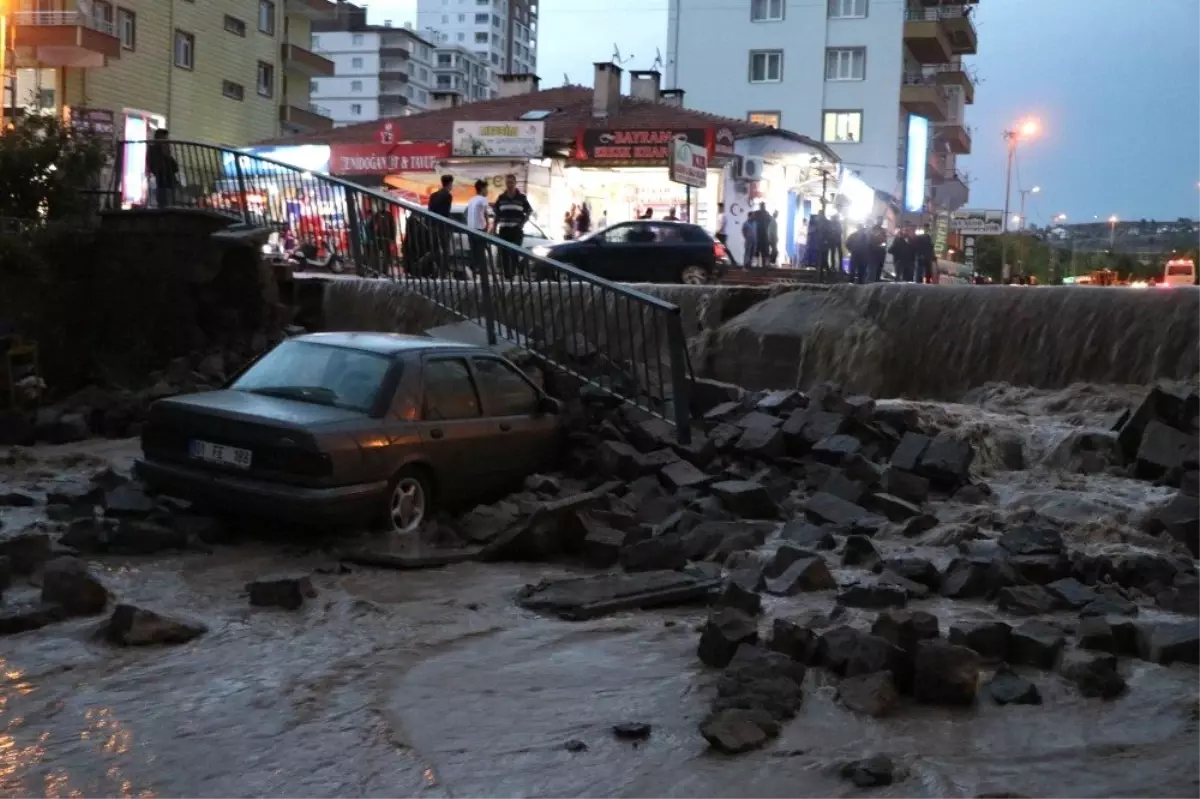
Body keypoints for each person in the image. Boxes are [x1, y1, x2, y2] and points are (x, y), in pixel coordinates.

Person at [493, 173, 533, 278]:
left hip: (516, 230)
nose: (509, 185)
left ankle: (513, 272)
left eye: (511, 182)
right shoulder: (501, 198)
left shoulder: (521, 198)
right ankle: (507, 275)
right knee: (504, 253)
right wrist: (494, 227)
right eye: (507, 182)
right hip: (504, 229)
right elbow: (497, 213)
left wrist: (522, 224)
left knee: (514, 252)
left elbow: (529, 211)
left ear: (515, 183)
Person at [145, 129, 178, 209]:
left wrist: (167, 156)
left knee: (171, 205)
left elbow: (175, 167)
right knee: (164, 206)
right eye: (164, 138)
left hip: (171, 182)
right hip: (161, 183)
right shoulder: (153, 150)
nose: (166, 141)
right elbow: (154, 166)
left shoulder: (166, 150)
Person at [465, 178, 491, 276]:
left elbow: (466, 213)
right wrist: (487, 225)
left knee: (474, 253)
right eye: (486, 188)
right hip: (479, 229)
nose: (487, 191)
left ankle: (472, 270)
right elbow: (485, 212)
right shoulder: (483, 199)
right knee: (481, 253)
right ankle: (482, 273)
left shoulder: (472, 200)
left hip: (470, 229)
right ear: (482, 189)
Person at [751, 202, 772, 269]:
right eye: (762, 206)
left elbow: (769, 221)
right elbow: (752, 219)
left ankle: (762, 264)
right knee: (758, 249)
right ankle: (758, 263)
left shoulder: (765, 213)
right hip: (759, 234)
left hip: (763, 234)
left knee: (763, 250)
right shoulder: (758, 213)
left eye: (763, 206)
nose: (763, 207)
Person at [824, 213, 844, 278]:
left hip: (836, 240)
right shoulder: (832, 224)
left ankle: (839, 266)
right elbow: (832, 231)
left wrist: (834, 232)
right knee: (834, 253)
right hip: (833, 241)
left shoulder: (837, 223)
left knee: (838, 253)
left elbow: (840, 231)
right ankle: (834, 266)